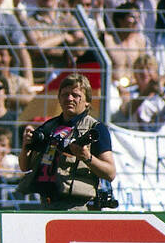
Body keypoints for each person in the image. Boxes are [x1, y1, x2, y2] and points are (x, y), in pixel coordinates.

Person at [18, 73, 117, 210]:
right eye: (65, 94)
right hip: (45, 203)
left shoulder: (95, 129)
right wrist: (25, 147)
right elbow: (25, 166)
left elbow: (110, 173)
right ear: (59, 98)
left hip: (76, 206)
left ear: (87, 101)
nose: (69, 98)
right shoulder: (48, 127)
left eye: (75, 95)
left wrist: (87, 157)